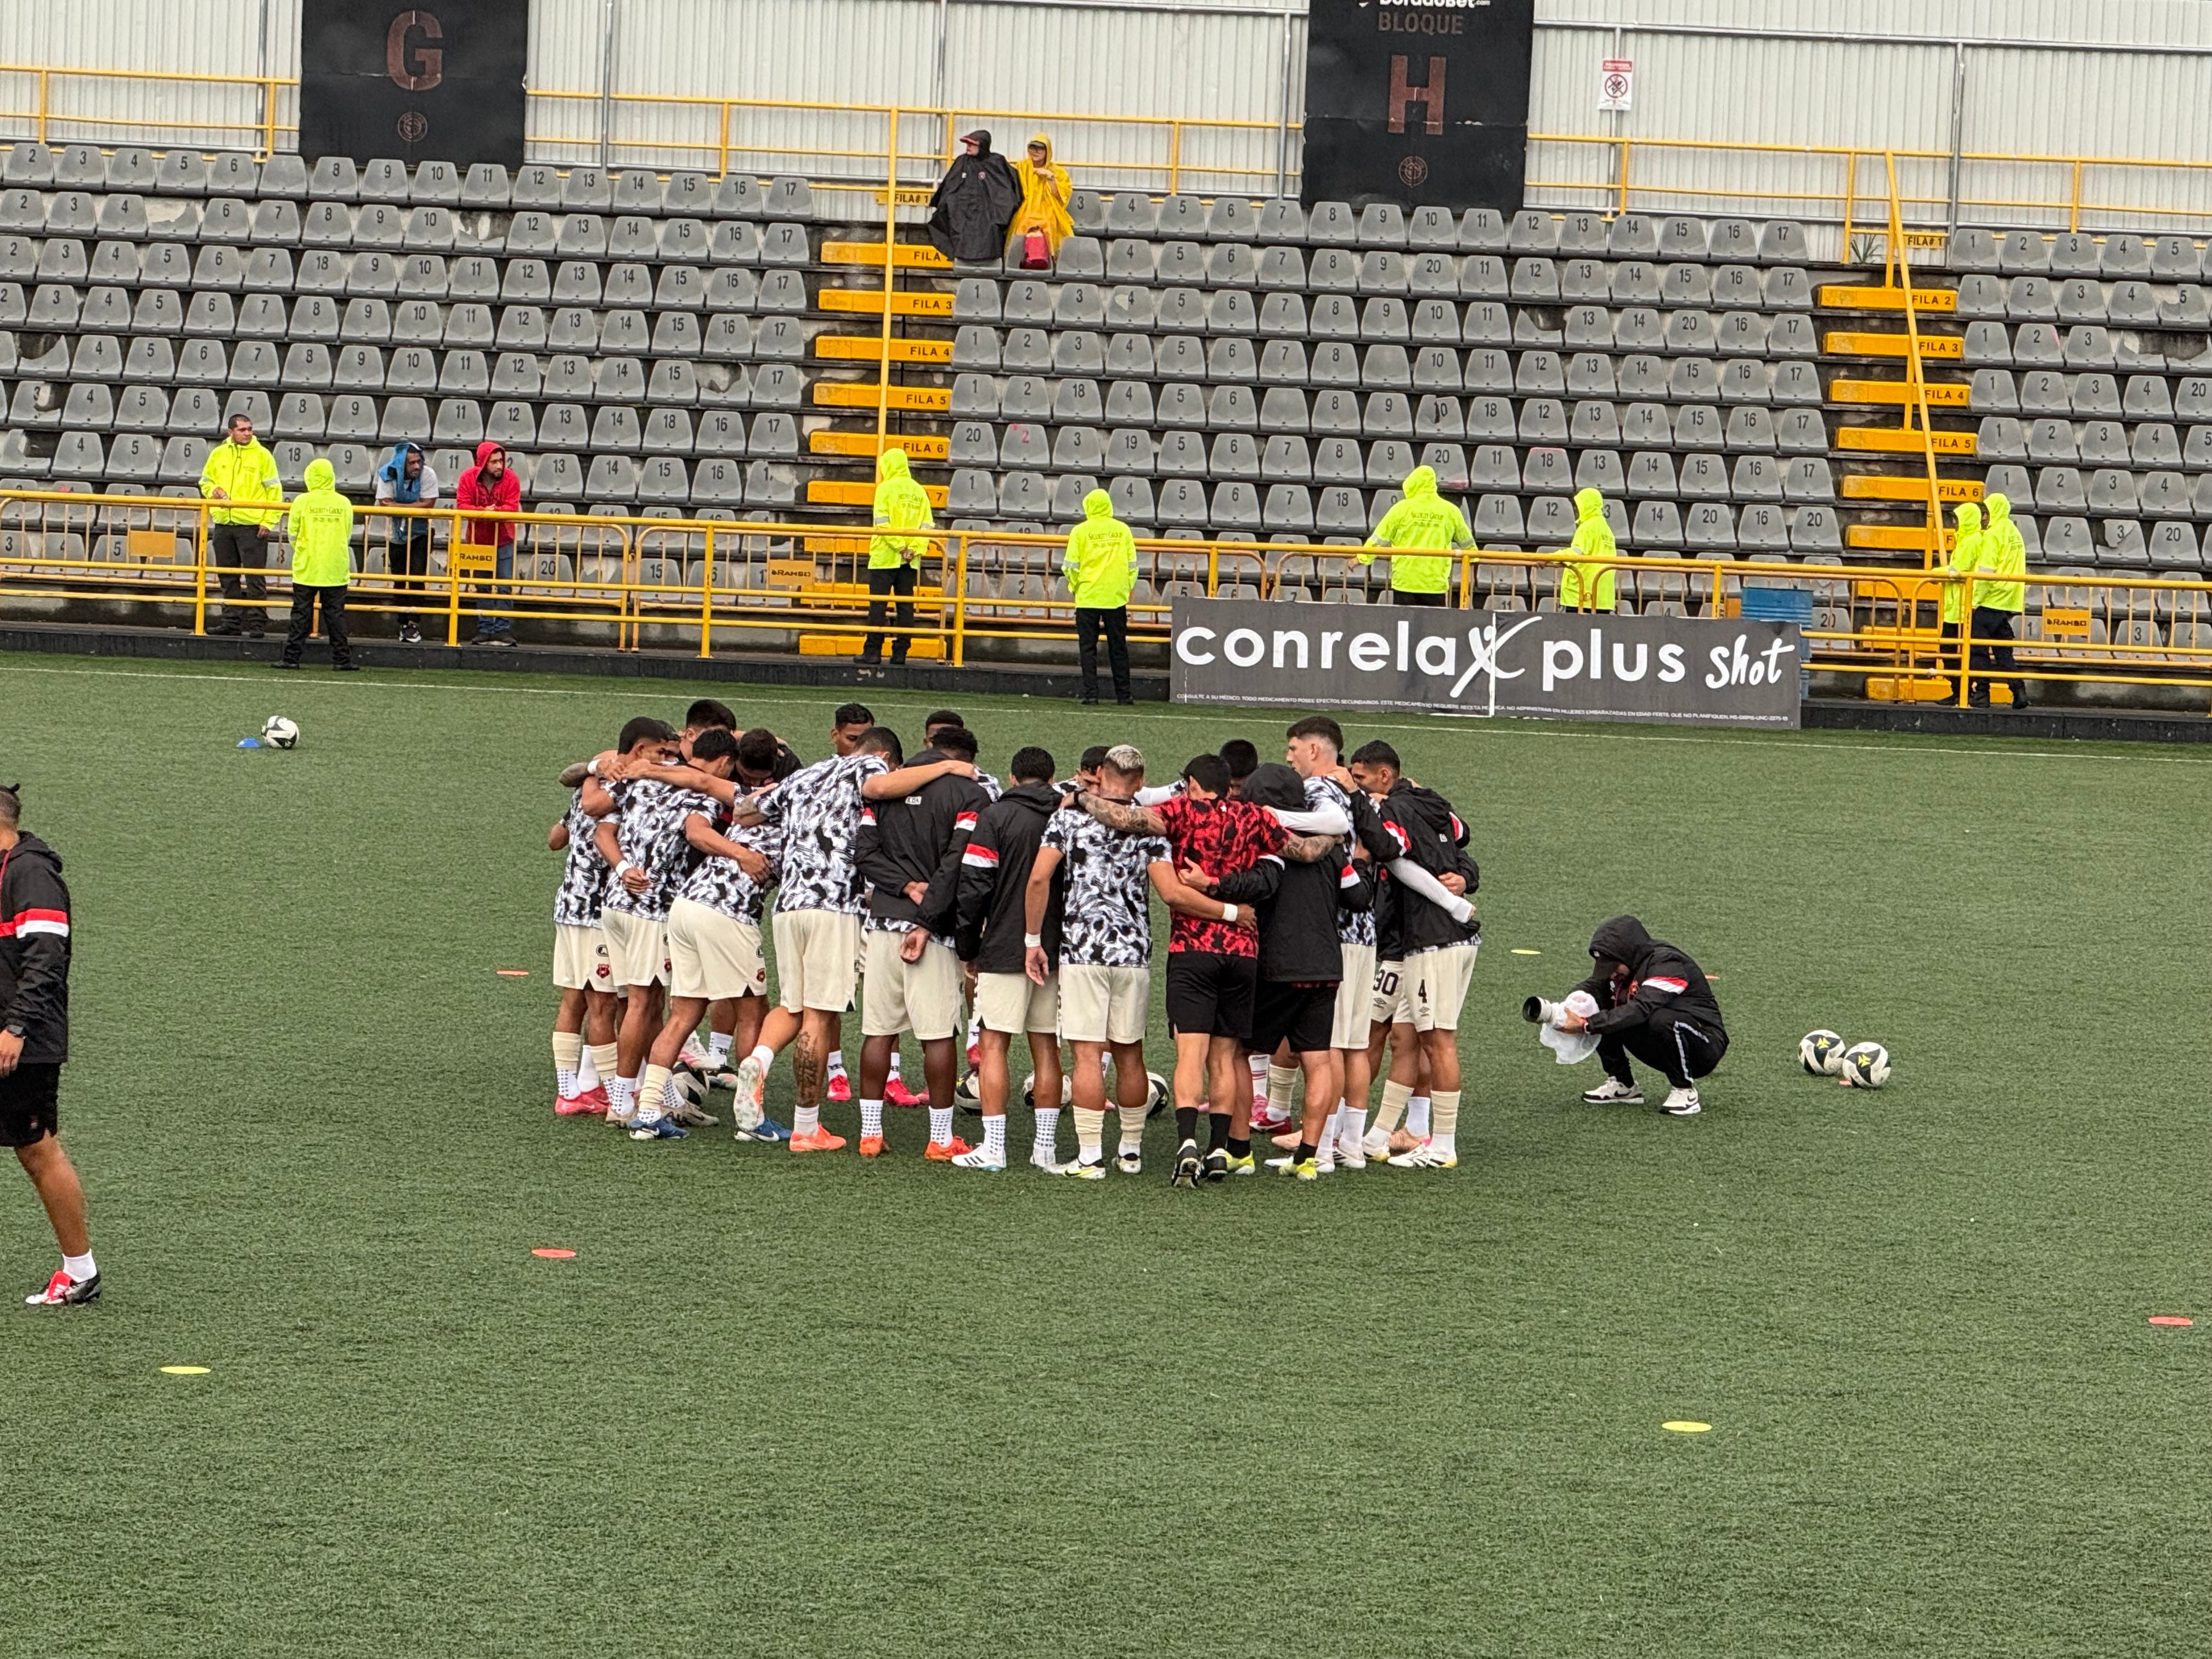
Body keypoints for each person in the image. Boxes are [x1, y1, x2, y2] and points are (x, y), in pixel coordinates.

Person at [1075, 754, 1340, 1186]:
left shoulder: (1180, 811)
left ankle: (1187, 1142)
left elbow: (1124, 818)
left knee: (1190, 1055)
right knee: (1224, 1057)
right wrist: (1334, 836)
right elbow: (1307, 850)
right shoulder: (1254, 818)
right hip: (1243, 953)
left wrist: (1081, 798)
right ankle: (1220, 1149)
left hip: (1193, 947)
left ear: (1194, 784)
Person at [727, 731, 979, 1153]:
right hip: (834, 903)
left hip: (789, 903)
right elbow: (878, 787)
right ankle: (807, 1126)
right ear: (884, 756)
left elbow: (744, 813)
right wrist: (946, 766)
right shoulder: (869, 766)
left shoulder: (805, 776)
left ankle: (760, 1058)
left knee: (793, 1003)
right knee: (820, 1017)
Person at [1204, 764, 1373, 1181]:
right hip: (1325, 965)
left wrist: (1212, 883)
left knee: (1239, 1052)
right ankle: (1309, 1157)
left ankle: (1240, 1149)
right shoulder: (1331, 847)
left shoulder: (1261, 840)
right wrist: (1362, 862)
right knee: (1318, 1060)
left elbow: (1252, 886)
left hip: (1273, 964)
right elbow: (1358, 898)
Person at [1025, 746, 1173, 1180]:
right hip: (1133, 950)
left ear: (1100, 775)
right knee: (1131, 1053)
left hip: (1084, 950)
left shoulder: (1069, 818)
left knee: (1087, 1055)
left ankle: (1089, 1156)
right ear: (1141, 781)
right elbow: (1167, 885)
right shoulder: (1152, 828)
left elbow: (1039, 877)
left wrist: (1033, 939)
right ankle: (1130, 1153)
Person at [854, 725, 991, 1160]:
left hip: (882, 923)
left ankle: (870, 1134)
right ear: (966, 757)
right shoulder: (969, 794)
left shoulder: (887, 788)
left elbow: (866, 855)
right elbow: (957, 864)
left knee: (878, 1031)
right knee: (938, 1035)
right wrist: (929, 915)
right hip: (934, 931)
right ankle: (939, 1138)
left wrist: (906, 885)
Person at [1347, 741, 1481, 1171]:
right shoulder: (1431, 802)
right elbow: (1461, 835)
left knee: (1438, 1040)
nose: (1359, 787)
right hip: (1440, 938)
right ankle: (1379, 1136)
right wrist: (1461, 881)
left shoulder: (1396, 810)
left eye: (1362, 779)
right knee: (1410, 1037)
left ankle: (1442, 1145)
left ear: (1385, 776)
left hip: (1433, 940)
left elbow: (1390, 849)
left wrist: (1360, 807)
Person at [643, 759, 782, 1142]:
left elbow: (701, 780)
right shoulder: (808, 815)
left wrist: (646, 769)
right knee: (752, 1010)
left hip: (686, 906)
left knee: (684, 1013)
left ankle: (649, 1112)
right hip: (729, 913)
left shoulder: (760, 800)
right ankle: (751, 1118)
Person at [2, 786, 97, 1307]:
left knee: (36, 1148)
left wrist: (16, 1028)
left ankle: (81, 1272)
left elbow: (46, 958)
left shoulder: (30, 874)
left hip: (22, 1040)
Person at [954, 744, 1068, 1172]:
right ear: (1052, 780)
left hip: (1003, 946)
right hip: (1054, 949)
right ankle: (1045, 1149)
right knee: (1046, 1047)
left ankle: (995, 1147)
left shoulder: (996, 816)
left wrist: (969, 948)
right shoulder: (1065, 816)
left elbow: (973, 888)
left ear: (1014, 778)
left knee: (994, 1043)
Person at [1562, 915, 1727, 1117]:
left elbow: (1642, 1008)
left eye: (1613, 967)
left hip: (1703, 1045)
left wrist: (1587, 1025)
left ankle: (1685, 1092)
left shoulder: (1668, 964)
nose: (1611, 974)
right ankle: (1623, 1085)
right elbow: (1595, 985)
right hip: (1659, 1042)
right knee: (1599, 1006)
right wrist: (1572, 1004)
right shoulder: (1627, 965)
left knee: (1660, 1019)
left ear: (1628, 955)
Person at [548, 769, 618, 1119]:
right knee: (604, 1004)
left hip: (568, 907)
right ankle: (611, 1092)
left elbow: (554, 840)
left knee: (574, 998)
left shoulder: (585, 794)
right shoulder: (616, 798)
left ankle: (571, 1091)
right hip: (595, 913)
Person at [198, 411, 284, 637]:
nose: (248, 433)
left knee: (255, 577)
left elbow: (275, 491)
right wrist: (212, 491)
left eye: (250, 429)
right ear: (231, 432)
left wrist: (269, 521)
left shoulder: (263, 456)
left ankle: (257, 625)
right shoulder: (218, 454)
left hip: (252, 525)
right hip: (224, 523)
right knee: (228, 576)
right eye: (243, 430)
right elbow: (205, 482)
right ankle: (232, 623)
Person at [276, 456, 357, 672]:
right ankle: (342, 660)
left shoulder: (302, 502)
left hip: (308, 565)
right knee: (336, 616)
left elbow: (293, 533)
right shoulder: (344, 503)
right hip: (335, 567)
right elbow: (348, 534)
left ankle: (292, 658)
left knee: (301, 614)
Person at [1358, 465, 1473, 607]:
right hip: (1435, 583)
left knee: (1404, 627)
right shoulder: (1451, 511)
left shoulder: (1401, 509)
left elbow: (1379, 539)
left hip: (1405, 582)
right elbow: (1468, 543)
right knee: (1432, 628)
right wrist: (1476, 558)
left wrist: (1361, 559)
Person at [1064, 488, 1138, 706]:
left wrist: (1076, 586)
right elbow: (1133, 565)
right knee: (1119, 647)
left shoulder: (1080, 531)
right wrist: (1125, 588)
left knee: (1088, 648)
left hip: (1088, 597)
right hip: (1116, 597)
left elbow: (1070, 566)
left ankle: (1091, 695)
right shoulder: (1123, 530)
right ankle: (1124, 696)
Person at [861, 447, 933, 668]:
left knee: (878, 607)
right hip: (910, 561)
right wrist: (912, 549)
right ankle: (900, 653)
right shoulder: (920, 491)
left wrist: (899, 547)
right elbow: (928, 526)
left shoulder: (885, 489)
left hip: (884, 557)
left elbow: (882, 524)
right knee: (905, 607)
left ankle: (872, 653)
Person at [456, 441, 522, 647]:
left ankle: (502, 629)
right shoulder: (468, 477)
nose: (499, 466)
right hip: (478, 540)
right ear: (483, 462)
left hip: (504, 539)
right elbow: (462, 505)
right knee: (482, 586)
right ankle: (485, 628)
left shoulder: (511, 478)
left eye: (501, 461)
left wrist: (485, 513)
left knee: (504, 585)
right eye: (494, 462)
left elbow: (512, 508)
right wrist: (488, 513)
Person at [374, 441, 438, 645]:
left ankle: (414, 623)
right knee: (399, 578)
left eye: (419, 462)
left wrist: (398, 506)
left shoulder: (429, 475)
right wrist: (412, 506)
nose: (417, 467)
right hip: (395, 533)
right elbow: (384, 505)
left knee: (418, 577)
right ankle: (403, 623)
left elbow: (429, 503)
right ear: (402, 463)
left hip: (420, 532)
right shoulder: (387, 474)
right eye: (412, 463)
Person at [927, 129, 1019, 265]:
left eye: (972, 144)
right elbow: (949, 188)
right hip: (963, 217)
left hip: (988, 221)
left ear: (983, 145)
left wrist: (998, 216)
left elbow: (1006, 192)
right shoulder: (961, 162)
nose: (968, 147)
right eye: (967, 144)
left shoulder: (997, 163)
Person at [1972, 493, 2029, 708]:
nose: (1984, 518)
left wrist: (1975, 600)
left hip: (1990, 600)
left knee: (1978, 650)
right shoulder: (2014, 532)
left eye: (1985, 513)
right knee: (2004, 653)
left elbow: (1986, 573)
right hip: (2008, 602)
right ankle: (2019, 691)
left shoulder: (1993, 535)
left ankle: (1982, 694)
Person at [1009, 133, 1073, 266]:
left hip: (1049, 208)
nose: (1036, 152)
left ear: (1047, 151)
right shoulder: (1021, 167)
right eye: (1033, 147)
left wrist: (1050, 177)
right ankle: (1022, 260)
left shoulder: (1058, 172)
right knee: (1024, 222)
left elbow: (1060, 197)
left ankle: (1048, 260)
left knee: (1048, 223)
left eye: (1040, 148)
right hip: (1026, 207)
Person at [1941, 500, 1984, 688]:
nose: (1954, 524)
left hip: (1961, 606)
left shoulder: (1972, 541)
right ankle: (1960, 690)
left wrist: (1935, 574)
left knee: (1950, 650)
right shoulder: (1966, 540)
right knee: (1951, 650)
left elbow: (1958, 570)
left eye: (1957, 519)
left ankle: (1961, 690)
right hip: (1956, 605)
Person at [1559, 487, 1618, 613]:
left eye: (1577, 506)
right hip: (1603, 598)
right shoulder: (1606, 529)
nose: (1575, 510)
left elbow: (1575, 554)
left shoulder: (1588, 528)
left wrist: (1549, 559)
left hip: (1584, 596)